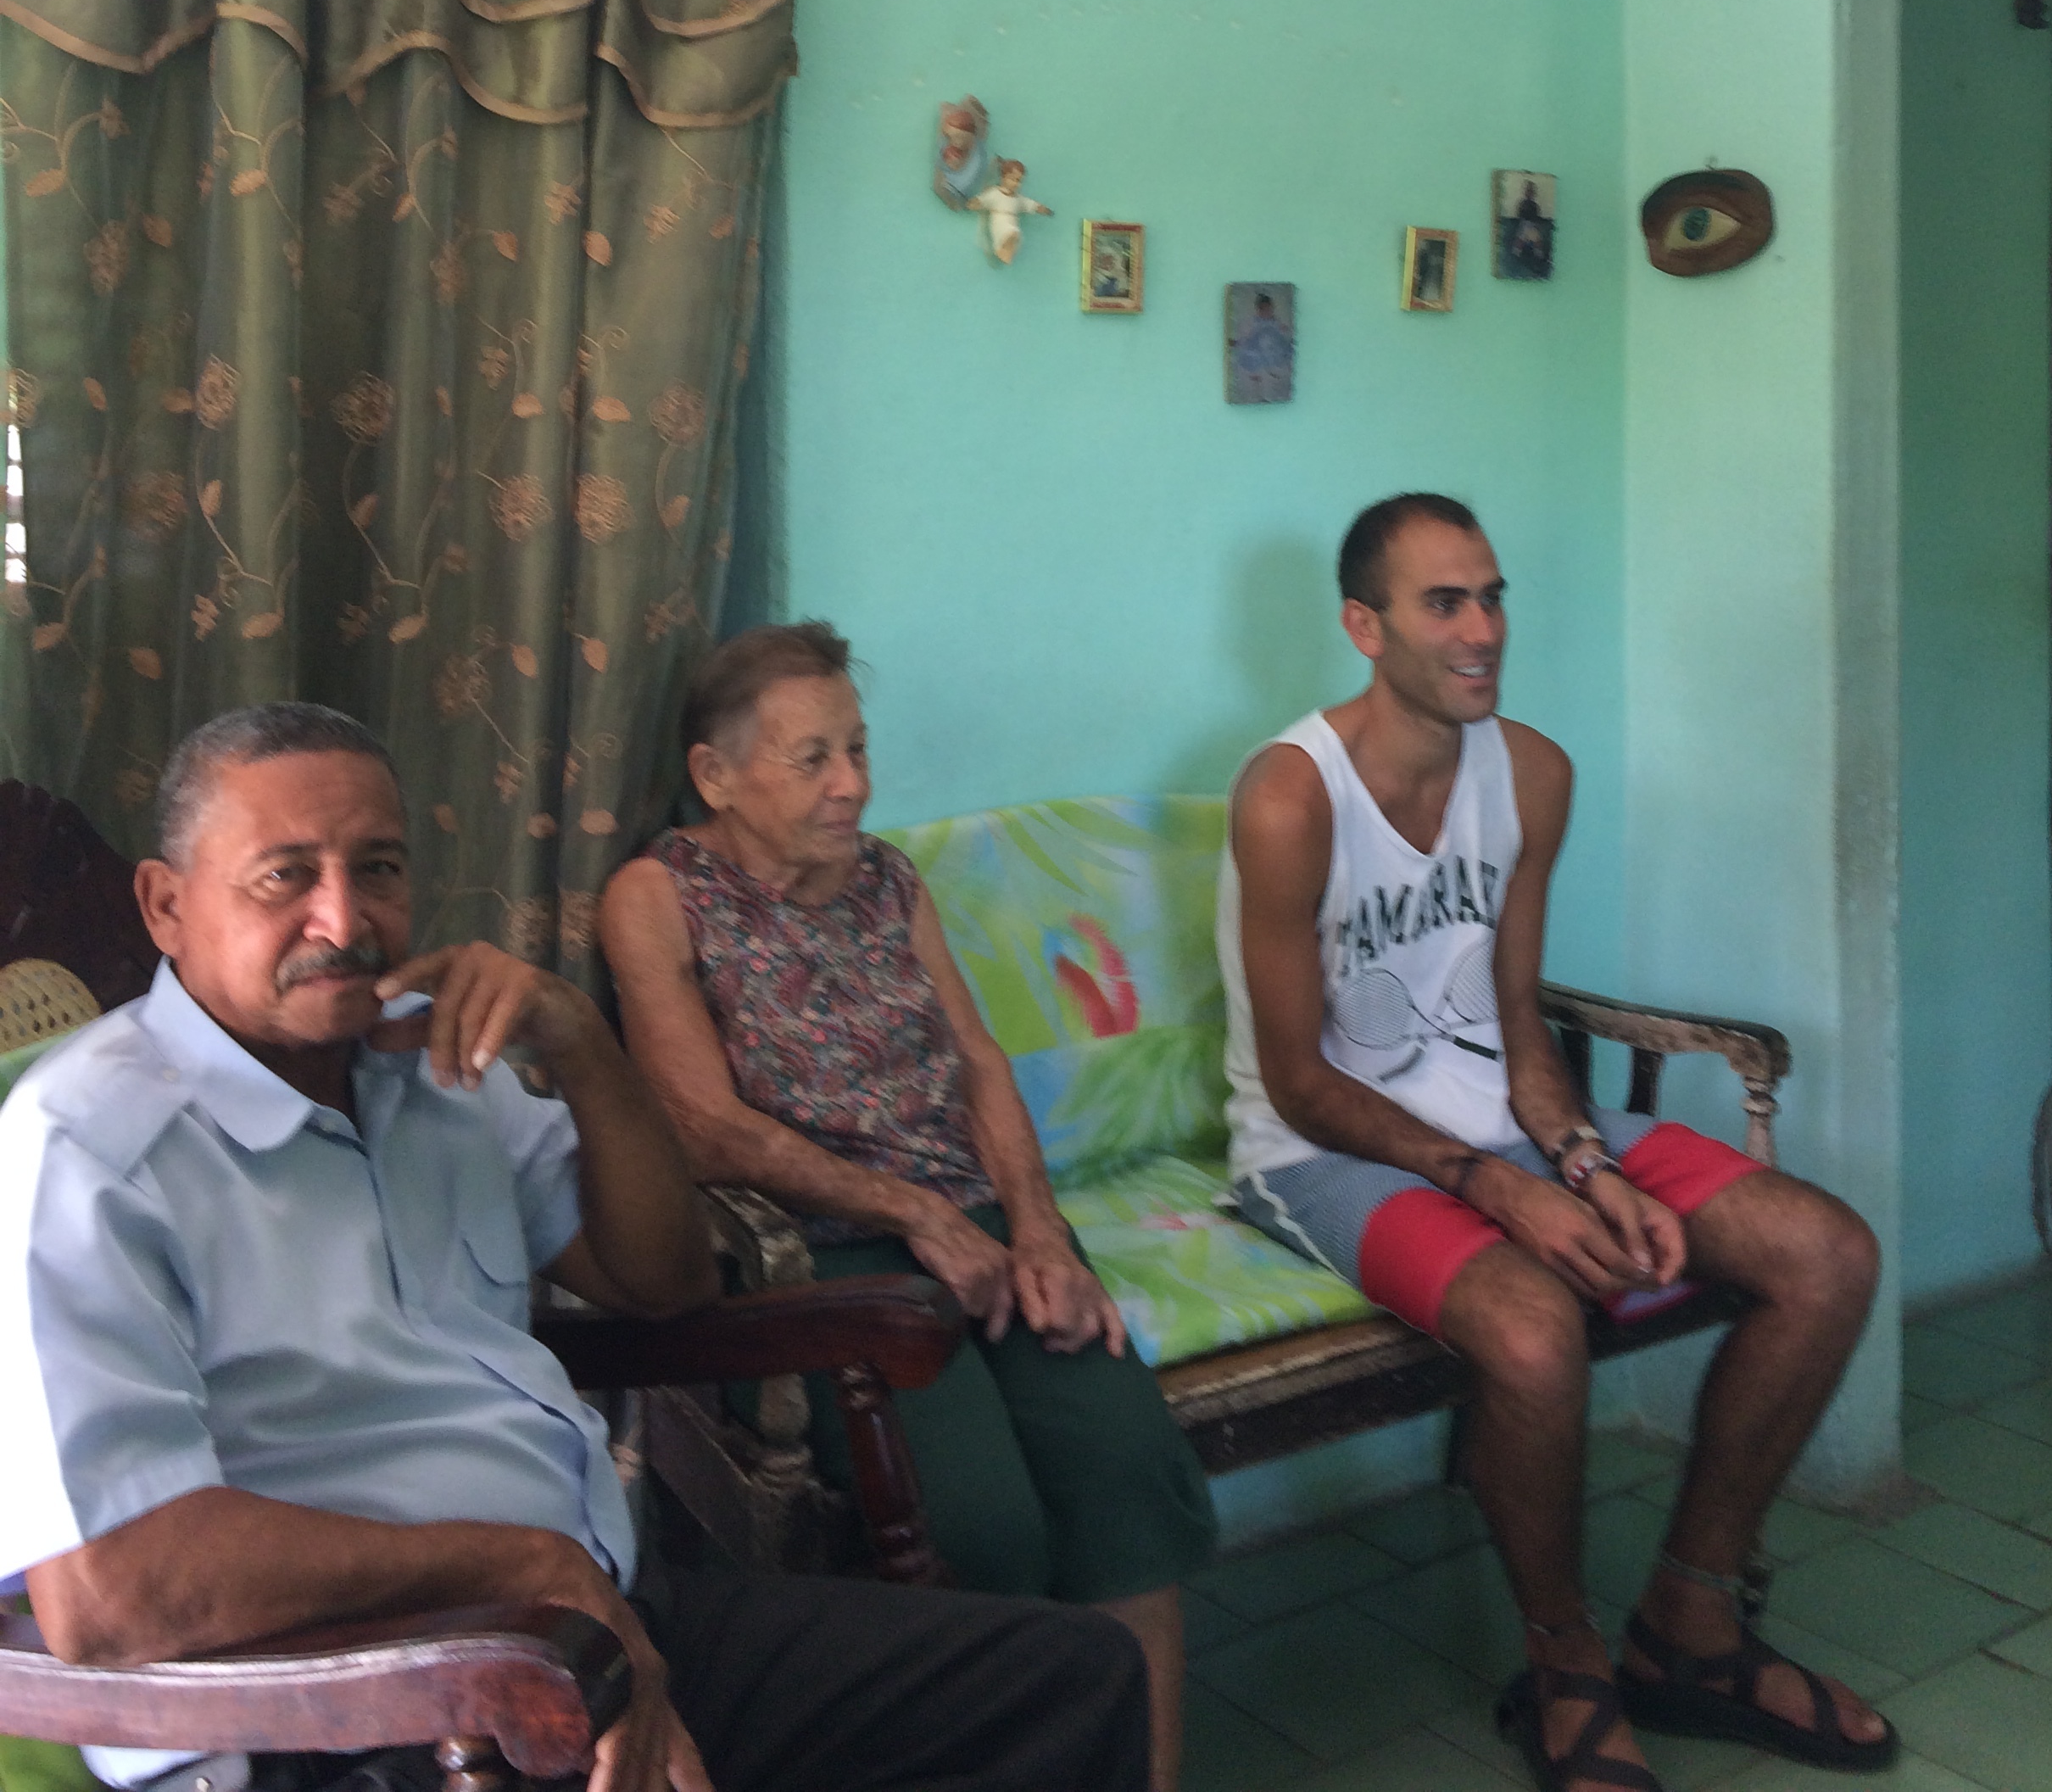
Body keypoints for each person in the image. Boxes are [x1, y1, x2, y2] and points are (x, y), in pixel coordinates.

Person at [0, 704, 1148, 1792]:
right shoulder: (89, 1149)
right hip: (347, 1707)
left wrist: (583, 1044)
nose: (344, 922)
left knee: (1065, 1683)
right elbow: (115, 1593)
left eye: (381, 870)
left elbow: (663, 1281)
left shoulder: (432, 1074)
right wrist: (516, 1567)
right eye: (284, 875)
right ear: (165, 906)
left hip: (583, 1617)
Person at [1221, 497, 1894, 1792]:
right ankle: (1566, 1662)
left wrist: (1581, 1162)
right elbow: (1301, 1084)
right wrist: (1499, 1193)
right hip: (1322, 1152)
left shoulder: (1530, 770)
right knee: (1532, 1331)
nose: (1485, 631)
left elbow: (1514, 1019)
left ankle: (1689, 1625)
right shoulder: (1289, 798)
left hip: (1501, 1122)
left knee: (1828, 1255)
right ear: (1364, 627)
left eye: (1493, 596)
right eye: (1445, 604)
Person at [601, 626, 1214, 1792]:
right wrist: (916, 1215)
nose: (854, 785)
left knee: (1129, 1472)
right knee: (980, 1526)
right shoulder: (658, 896)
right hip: (823, 1260)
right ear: (716, 776)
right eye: (814, 758)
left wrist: (1038, 1232)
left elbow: (982, 1062)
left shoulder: (890, 881)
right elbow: (701, 1124)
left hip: (982, 1223)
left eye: (859, 750)